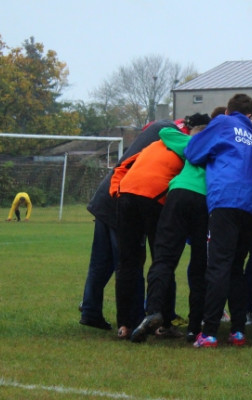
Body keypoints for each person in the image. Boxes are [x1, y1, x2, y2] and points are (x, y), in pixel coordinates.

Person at [78, 120, 178, 332]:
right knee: (132, 261)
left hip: (106, 197)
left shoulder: (147, 139)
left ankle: (90, 310)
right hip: (124, 199)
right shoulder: (168, 141)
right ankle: (135, 318)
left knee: (101, 262)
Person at [184, 93, 252, 348]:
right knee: (236, 269)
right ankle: (238, 331)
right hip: (251, 206)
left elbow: (193, 151)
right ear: (250, 115)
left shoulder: (223, 123)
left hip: (226, 199)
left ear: (228, 111)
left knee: (217, 266)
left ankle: (209, 332)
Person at [129, 113, 212, 343]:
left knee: (164, 258)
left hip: (179, 194)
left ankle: (154, 311)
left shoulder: (189, 143)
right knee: (199, 264)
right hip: (206, 200)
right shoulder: (218, 146)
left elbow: (164, 132)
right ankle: (195, 327)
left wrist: (186, 128)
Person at [109, 125, 186, 339]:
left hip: (126, 196)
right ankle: (163, 321)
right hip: (155, 199)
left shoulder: (153, 144)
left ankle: (125, 324)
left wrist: (117, 191)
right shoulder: (191, 149)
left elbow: (121, 166)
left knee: (127, 262)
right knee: (163, 260)